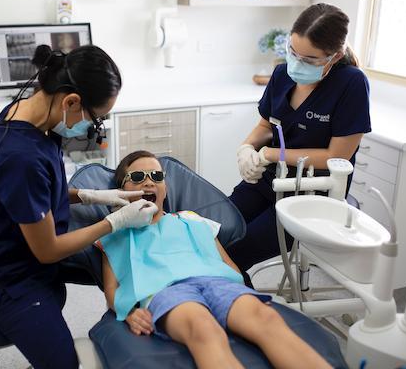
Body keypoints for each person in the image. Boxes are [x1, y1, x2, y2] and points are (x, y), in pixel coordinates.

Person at [0, 45, 158, 369]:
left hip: (28, 252)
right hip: (9, 279)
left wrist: (92, 195)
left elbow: (40, 189)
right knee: (64, 363)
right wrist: (117, 222)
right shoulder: (20, 156)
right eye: (96, 120)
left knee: (113, 262)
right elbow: (48, 250)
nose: (94, 129)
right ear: (71, 102)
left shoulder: (29, 115)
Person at [97, 150, 332, 369]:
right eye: (138, 177)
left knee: (266, 318)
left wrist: (239, 295)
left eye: (156, 176)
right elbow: (111, 288)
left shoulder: (192, 219)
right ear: (122, 189)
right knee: (203, 327)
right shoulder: (115, 233)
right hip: (166, 291)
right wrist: (128, 313)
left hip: (218, 283)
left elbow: (230, 267)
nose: (149, 182)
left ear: (165, 188)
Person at [227, 3, 371, 276]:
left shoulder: (351, 84)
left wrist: (271, 154)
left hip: (311, 194)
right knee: (216, 229)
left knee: (235, 253)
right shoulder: (282, 74)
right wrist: (246, 147)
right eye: (292, 52)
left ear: (334, 56)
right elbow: (266, 125)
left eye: (309, 59)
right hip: (267, 181)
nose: (296, 62)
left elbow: (334, 157)